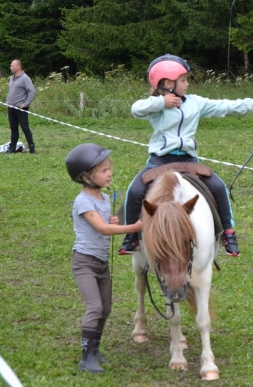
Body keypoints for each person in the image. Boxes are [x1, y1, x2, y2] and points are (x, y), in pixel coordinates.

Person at [118, 54, 253, 257]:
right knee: (135, 190)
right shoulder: (155, 105)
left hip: (188, 160)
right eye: (183, 80)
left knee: (218, 187)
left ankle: (228, 233)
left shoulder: (195, 103)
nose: (187, 84)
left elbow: (223, 106)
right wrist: (162, 102)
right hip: (160, 160)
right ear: (168, 83)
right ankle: (132, 236)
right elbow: (136, 109)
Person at [66, 143, 144, 374]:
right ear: (86, 177)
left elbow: (106, 224)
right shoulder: (83, 201)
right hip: (84, 262)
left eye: (109, 169)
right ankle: (85, 357)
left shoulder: (104, 199)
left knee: (106, 308)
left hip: (101, 263)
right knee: (95, 307)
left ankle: (95, 350)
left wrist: (115, 223)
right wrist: (134, 227)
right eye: (103, 171)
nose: (109, 173)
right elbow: (102, 229)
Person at [5, 59, 36, 154]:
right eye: (11, 66)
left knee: (25, 128)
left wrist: (26, 104)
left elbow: (32, 92)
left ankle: (32, 149)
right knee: (13, 129)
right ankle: (12, 148)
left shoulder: (25, 78)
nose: (10, 67)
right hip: (11, 108)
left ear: (18, 67)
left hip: (21, 108)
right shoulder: (11, 78)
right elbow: (11, 92)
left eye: (12, 66)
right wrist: (7, 102)